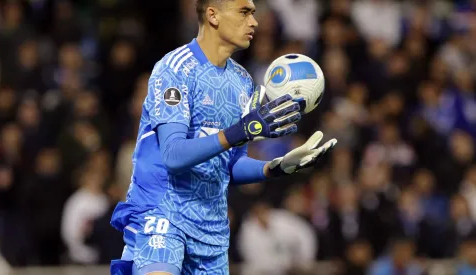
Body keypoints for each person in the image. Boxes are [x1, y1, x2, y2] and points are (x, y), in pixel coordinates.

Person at [109, 0, 337, 274]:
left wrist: (276, 166)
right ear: (213, 15)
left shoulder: (242, 82)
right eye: (244, 12)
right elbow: (172, 154)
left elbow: (229, 165)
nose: (254, 22)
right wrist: (240, 131)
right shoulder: (175, 68)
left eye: (253, 13)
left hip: (211, 230)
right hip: (162, 212)